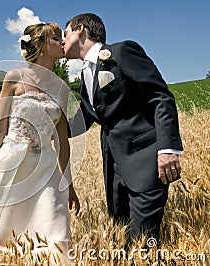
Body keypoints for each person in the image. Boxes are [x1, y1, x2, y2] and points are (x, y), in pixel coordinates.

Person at [0, 22, 80, 256]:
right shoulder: (14, 77)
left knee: (57, 234)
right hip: (12, 167)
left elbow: (62, 142)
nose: (62, 41)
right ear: (41, 46)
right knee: (9, 240)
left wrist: (68, 184)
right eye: (56, 38)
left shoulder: (62, 89)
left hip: (46, 170)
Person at [62, 13, 183, 244]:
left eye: (65, 34)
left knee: (143, 241)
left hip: (145, 160)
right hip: (113, 166)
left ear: (80, 30)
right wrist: (51, 131)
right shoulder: (84, 75)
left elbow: (160, 97)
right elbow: (88, 116)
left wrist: (168, 148)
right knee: (123, 237)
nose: (62, 41)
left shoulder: (121, 52)